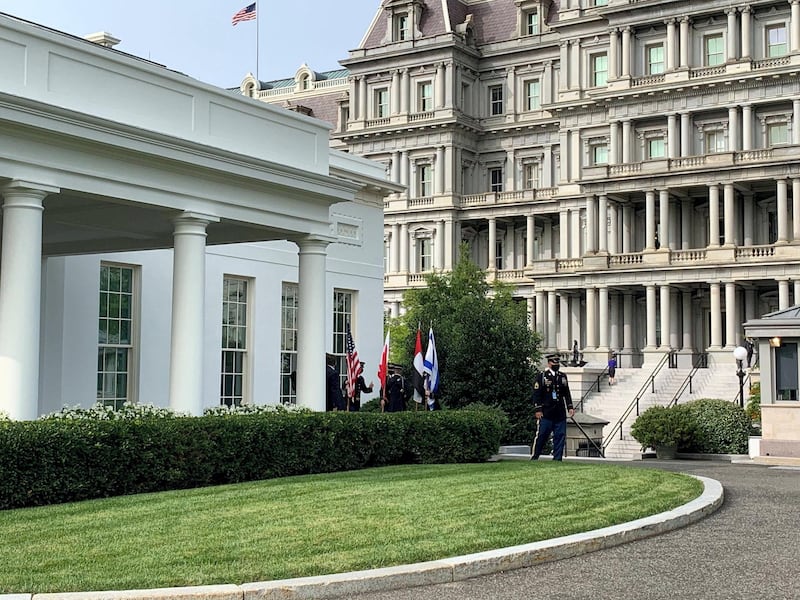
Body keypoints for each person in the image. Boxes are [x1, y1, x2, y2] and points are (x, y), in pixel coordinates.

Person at [531, 353, 574, 461]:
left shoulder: (562, 376)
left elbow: (566, 393)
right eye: (554, 362)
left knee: (560, 436)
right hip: (546, 412)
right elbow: (537, 394)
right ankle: (535, 456)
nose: (556, 364)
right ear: (549, 363)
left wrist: (570, 407)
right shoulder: (542, 376)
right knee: (542, 435)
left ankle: (557, 458)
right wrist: (538, 409)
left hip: (559, 412)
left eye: (558, 362)